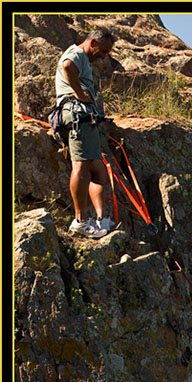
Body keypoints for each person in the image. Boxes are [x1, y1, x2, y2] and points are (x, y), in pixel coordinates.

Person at [55, 29, 116, 239]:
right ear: (92, 42)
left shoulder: (84, 59)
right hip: (78, 115)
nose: (104, 56)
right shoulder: (77, 54)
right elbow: (67, 66)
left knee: (97, 167)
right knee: (81, 166)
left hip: (86, 118)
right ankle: (80, 221)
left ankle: (101, 219)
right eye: (103, 50)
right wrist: (80, 95)